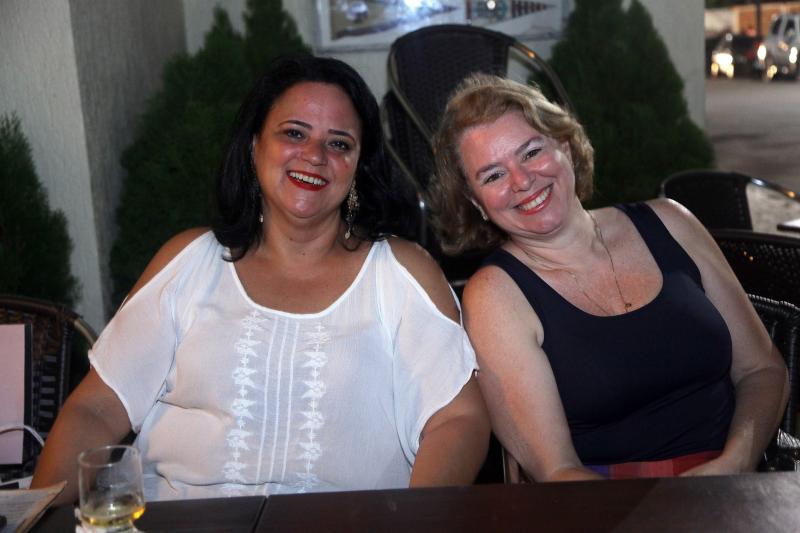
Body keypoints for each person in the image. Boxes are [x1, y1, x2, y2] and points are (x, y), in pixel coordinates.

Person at [32, 55, 489, 502]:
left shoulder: (400, 273)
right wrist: (37, 515)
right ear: (254, 147)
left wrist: (418, 519)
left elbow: (458, 419)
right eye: (294, 133)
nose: (314, 155)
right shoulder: (190, 262)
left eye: (339, 144)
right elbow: (96, 408)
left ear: (358, 168)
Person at [431, 73, 788, 481]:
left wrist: (737, 462)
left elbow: (763, 370)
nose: (522, 180)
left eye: (531, 152)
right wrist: (671, 507)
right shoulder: (496, 297)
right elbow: (557, 472)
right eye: (493, 175)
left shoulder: (672, 223)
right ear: (476, 203)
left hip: (736, 479)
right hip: (607, 501)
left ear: (565, 147)